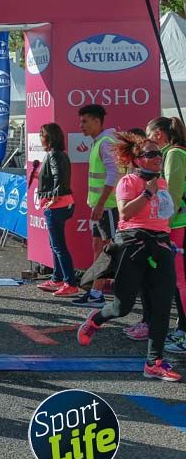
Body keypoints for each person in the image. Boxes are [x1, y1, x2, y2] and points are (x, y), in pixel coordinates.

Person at [76, 132, 182, 382]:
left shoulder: (162, 183)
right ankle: (97, 318)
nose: (158, 157)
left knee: (162, 306)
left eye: (159, 152)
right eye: (151, 154)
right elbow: (124, 214)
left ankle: (153, 363)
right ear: (137, 160)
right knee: (123, 306)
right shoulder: (129, 182)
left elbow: (165, 215)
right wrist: (147, 193)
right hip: (133, 244)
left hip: (160, 245)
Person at [146, 117, 186, 353]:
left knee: (180, 281)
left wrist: (165, 225)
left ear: (160, 134)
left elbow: (174, 192)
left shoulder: (173, 154)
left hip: (179, 225)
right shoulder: (175, 153)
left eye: (151, 136)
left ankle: (184, 332)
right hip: (178, 224)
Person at [73, 104, 119, 308]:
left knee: (108, 250)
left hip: (107, 207)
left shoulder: (106, 142)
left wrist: (100, 204)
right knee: (98, 247)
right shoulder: (99, 142)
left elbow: (113, 174)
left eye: (84, 121)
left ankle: (98, 294)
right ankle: (95, 292)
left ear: (97, 122)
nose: (80, 125)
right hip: (100, 206)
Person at [33, 123, 78, 296]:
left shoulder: (53, 155)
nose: (40, 137)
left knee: (59, 246)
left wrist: (53, 198)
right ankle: (58, 278)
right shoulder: (59, 155)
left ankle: (69, 282)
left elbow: (60, 179)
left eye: (41, 134)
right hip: (63, 204)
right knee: (55, 244)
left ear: (48, 137)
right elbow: (58, 177)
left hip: (58, 205)